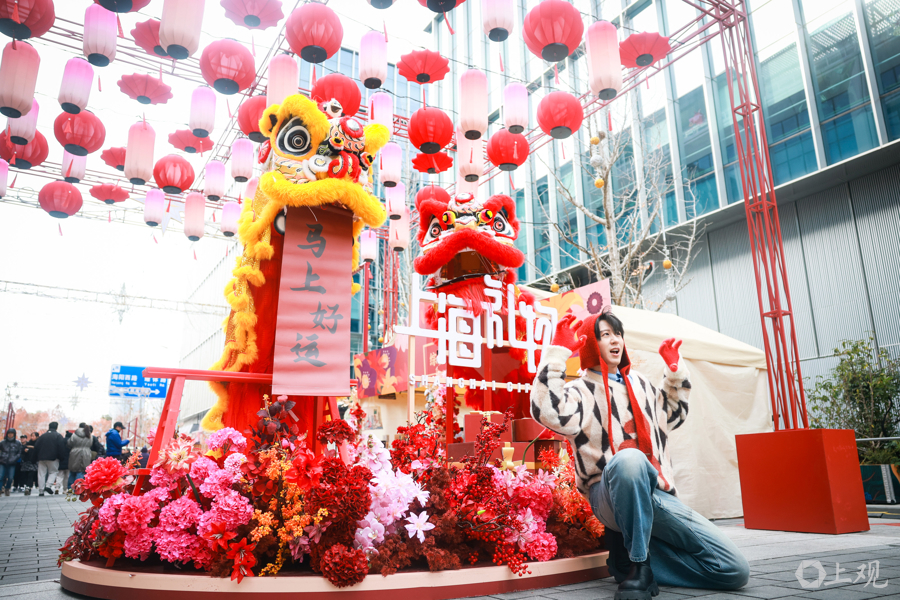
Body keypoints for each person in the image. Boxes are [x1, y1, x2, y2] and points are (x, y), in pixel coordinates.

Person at [530, 311, 749, 600]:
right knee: (629, 458)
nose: (615, 340)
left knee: (734, 570)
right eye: (605, 334)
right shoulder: (579, 390)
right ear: (590, 344)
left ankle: (629, 560)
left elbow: (672, 416)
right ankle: (639, 565)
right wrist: (558, 354)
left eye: (617, 333)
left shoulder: (642, 385)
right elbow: (547, 410)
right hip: (607, 494)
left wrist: (674, 373)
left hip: (656, 493)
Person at [34, 422, 67, 496]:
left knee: (41, 474)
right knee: (53, 472)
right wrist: (61, 457)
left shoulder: (42, 436)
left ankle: (41, 490)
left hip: (41, 458)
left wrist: (36, 457)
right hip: (53, 458)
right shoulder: (58, 436)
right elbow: (61, 447)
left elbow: (36, 446)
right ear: (56, 427)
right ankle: (48, 485)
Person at [67, 423, 93, 488]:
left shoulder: (74, 435)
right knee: (82, 471)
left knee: (72, 471)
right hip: (86, 453)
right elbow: (91, 443)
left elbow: (69, 443)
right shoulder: (89, 434)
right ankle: (78, 488)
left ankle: (70, 488)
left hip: (74, 453)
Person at [0, 428, 23, 496]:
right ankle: (0, 489)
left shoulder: (18, 443)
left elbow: (19, 453)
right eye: (9, 433)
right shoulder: (2, 442)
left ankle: (7, 488)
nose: (10, 435)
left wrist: (14, 458)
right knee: (0, 476)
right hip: (2, 461)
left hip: (12, 462)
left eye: (12, 434)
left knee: (10, 477)